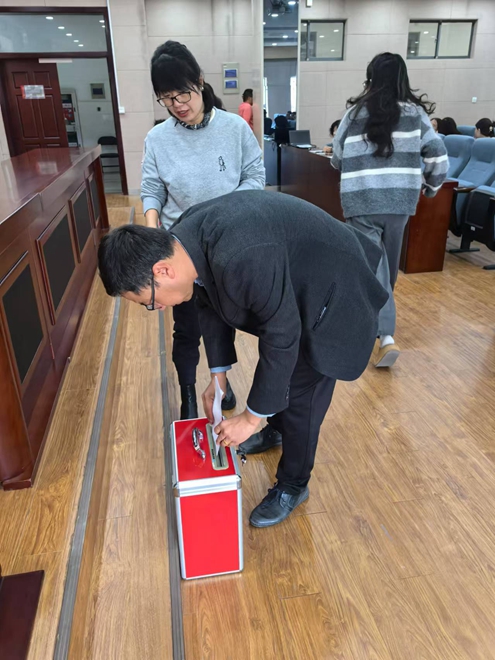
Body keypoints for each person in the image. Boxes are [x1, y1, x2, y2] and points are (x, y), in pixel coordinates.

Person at [98, 190, 388, 527]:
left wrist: (250, 418)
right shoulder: (183, 244)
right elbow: (208, 300)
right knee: (280, 383)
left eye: (149, 302)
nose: (158, 308)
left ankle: (294, 485)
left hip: (335, 289)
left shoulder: (240, 254)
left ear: (162, 270)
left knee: (302, 394)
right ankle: (277, 429)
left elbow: (282, 335)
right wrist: (218, 377)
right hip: (297, 276)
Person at [142, 41, 265, 419]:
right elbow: (152, 189)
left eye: (182, 93)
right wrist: (153, 233)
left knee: (224, 321)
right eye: (166, 98)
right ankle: (188, 396)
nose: (177, 104)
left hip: (229, 246)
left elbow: (255, 176)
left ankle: (220, 384)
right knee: (186, 327)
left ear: (198, 81)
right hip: (181, 250)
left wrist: (224, 213)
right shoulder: (158, 138)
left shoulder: (234, 128)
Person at [332, 52, 448, 368]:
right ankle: (384, 334)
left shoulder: (354, 114)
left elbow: (337, 157)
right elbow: (438, 157)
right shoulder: (415, 115)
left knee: (374, 267)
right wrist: (430, 187)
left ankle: (381, 332)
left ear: (370, 79)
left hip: (361, 202)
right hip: (399, 204)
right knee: (386, 268)